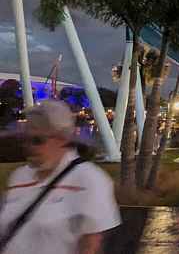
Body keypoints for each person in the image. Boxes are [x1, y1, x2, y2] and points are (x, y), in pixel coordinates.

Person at [0, 100, 120, 254]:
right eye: (25, 139)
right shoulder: (19, 176)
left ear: (63, 139)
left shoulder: (89, 180)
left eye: (37, 140)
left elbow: (92, 246)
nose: (29, 146)